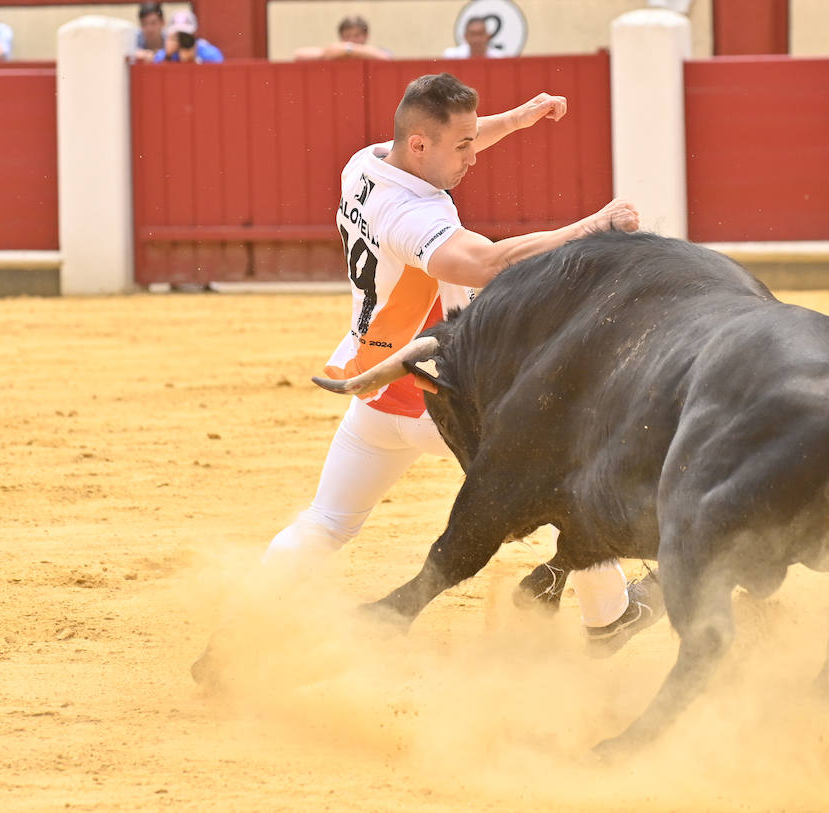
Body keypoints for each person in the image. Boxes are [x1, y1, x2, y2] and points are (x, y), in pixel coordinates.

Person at [257, 73, 659, 655]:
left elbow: (448, 140)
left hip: (375, 387)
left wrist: (516, 120)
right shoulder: (413, 218)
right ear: (420, 146)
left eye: (474, 140)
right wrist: (592, 227)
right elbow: (487, 263)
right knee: (564, 488)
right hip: (439, 397)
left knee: (325, 522)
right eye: (463, 146)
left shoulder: (366, 165)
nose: (472, 156)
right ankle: (610, 617)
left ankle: (243, 624)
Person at [293, 15, 392, 61]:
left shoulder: (378, 51)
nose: (352, 40)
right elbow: (298, 55)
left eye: (357, 35)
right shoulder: (332, 53)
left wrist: (348, 49)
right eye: (348, 36)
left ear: (366, 36)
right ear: (341, 38)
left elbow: (387, 58)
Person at [154, 9, 224, 64]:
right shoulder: (166, 54)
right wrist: (168, 57)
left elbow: (218, 71)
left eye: (185, 35)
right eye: (177, 36)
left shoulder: (209, 53)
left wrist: (194, 60)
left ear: (194, 34)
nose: (181, 39)